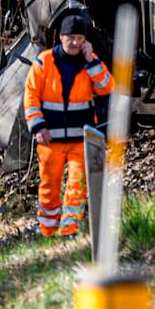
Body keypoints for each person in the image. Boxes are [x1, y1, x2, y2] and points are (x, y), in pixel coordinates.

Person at [22, 15, 112, 237]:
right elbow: (31, 96)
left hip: (81, 138)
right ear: (61, 37)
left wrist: (91, 61)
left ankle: (70, 230)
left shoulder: (90, 62)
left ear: (85, 41)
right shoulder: (43, 62)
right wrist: (38, 126)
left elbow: (107, 87)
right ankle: (48, 230)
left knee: (77, 185)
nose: (74, 42)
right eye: (70, 37)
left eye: (79, 38)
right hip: (50, 138)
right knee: (49, 185)